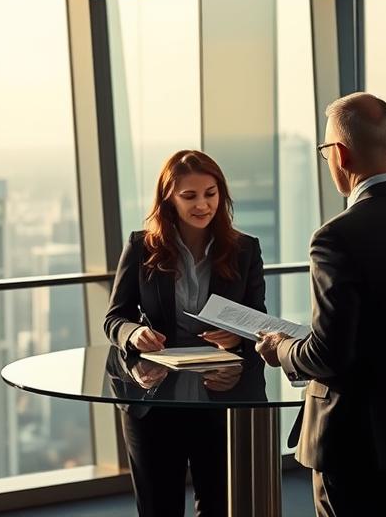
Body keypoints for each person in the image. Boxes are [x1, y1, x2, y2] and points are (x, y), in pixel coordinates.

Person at [256, 93, 386, 517]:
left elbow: (327, 354)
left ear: (341, 155)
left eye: (325, 150)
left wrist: (279, 349)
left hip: (353, 443)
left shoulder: (336, 236)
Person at [104, 149, 266, 517]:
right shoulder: (141, 246)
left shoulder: (244, 250)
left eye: (210, 193)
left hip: (223, 397)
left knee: (221, 505)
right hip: (156, 398)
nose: (203, 205)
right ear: (168, 198)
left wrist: (237, 336)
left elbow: (258, 318)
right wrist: (134, 334)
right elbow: (115, 318)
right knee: (159, 506)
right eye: (189, 196)